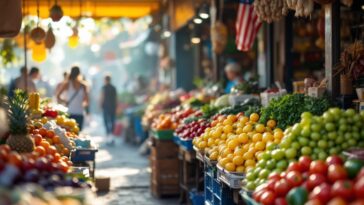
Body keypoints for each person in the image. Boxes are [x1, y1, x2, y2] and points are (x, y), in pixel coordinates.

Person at [57, 66, 89, 130]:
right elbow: (86, 101)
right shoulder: (84, 86)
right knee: (77, 133)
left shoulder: (67, 84)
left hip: (70, 113)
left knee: (70, 134)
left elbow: (58, 96)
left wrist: (65, 101)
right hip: (80, 113)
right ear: (79, 73)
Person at [100, 75, 117, 144]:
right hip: (113, 106)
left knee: (106, 121)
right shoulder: (113, 88)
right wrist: (116, 106)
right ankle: (111, 135)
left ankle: (108, 135)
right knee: (112, 121)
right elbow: (116, 98)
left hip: (106, 107)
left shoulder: (104, 87)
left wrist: (101, 105)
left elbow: (102, 97)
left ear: (105, 80)